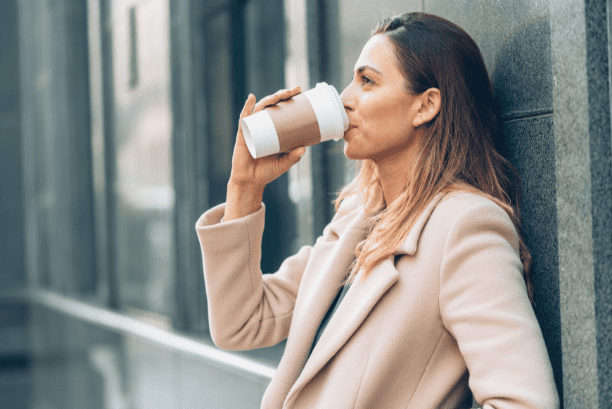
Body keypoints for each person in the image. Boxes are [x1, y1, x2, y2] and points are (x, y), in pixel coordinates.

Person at [196, 12, 559, 409]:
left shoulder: (464, 227)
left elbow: (524, 401)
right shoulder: (358, 216)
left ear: (425, 106)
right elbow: (242, 324)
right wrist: (245, 187)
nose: (345, 97)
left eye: (367, 81)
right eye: (352, 79)